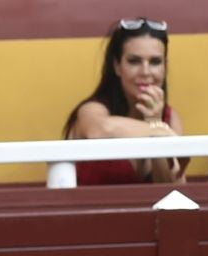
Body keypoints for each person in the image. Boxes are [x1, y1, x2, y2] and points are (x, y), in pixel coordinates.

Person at [62, 17, 184, 186]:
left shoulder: (170, 118)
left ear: (165, 67)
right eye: (134, 61)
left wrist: (155, 123)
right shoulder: (91, 110)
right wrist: (159, 132)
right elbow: (101, 130)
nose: (145, 71)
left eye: (155, 62)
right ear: (117, 66)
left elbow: (174, 190)